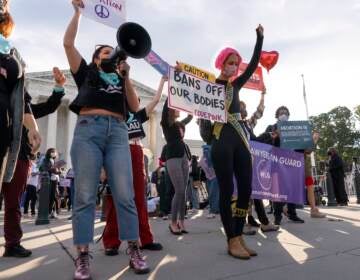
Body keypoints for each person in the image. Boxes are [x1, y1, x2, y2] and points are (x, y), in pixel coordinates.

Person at [64, 0, 149, 277]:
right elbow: (68, 44)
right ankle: (83, 254)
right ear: (96, 58)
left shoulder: (121, 76)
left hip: (118, 133)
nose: (112, 55)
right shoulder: (87, 73)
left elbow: (135, 107)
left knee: (125, 195)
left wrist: (126, 77)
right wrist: (77, 13)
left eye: (114, 52)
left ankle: (134, 248)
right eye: (106, 52)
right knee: (85, 195)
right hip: (89, 129)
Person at [209, 25, 263, 259]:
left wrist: (259, 39)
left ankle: (239, 235)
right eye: (229, 62)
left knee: (246, 188)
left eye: (235, 63)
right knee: (226, 190)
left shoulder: (235, 85)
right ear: (221, 63)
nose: (233, 66)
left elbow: (252, 65)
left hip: (239, 138)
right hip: (221, 140)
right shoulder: (209, 86)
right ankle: (231, 239)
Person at [102, 76, 167, 256]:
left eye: (136, 99)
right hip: (118, 152)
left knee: (139, 198)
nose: (135, 101)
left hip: (137, 152)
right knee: (117, 199)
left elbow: (155, 100)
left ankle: (145, 239)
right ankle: (111, 242)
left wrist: (162, 81)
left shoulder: (138, 116)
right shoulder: (114, 117)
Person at [262, 106, 305, 225]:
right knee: (278, 191)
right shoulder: (271, 128)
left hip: (292, 162)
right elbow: (264, 142)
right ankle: (277, 216)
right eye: (281, 113)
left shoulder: (294, 128)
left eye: (286, 112)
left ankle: (292, 214)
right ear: (277, 115)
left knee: (292, 190)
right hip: (277, 163)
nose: (284, 114)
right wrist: (274, 136)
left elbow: (300, 145)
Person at [161, 93, 193, 235]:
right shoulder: (166, 123)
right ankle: (172, 222)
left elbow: (189, 117)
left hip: (183, 158)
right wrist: (170, 94)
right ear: (171, 110)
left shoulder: (179, 124)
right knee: (179, 190)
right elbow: (164, 110)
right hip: (172, 158)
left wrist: (192, 106)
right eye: (176, 106)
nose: (178, 108)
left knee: (183, 191)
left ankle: (181, 221)